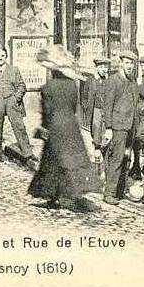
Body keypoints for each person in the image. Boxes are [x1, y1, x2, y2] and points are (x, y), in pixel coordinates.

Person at [27, 44, 100, 212]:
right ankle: (73, 193)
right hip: (71, 126)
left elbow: (47, 111)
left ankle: (52, 197)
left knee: (51, 162)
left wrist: (44, 128)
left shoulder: (48, 88)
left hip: (55, 126)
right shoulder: (72, 85)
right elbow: (74, 106)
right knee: (71, 160)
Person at [0, 47, 35, 165]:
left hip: (11, 99)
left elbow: (21, 86)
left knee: (19, 125)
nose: (0, 58)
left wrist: (16, 98)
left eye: (3, 56)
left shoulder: (14, 70)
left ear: (6, 57)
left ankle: (28, 153)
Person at [101, 50, 140, 205]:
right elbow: (107, 106)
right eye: (127, 62)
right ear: (121, 63)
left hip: (130, 128)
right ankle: (109, 193)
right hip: (118, 127)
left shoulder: (133, 82)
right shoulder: (113, 81)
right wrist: (109, 128)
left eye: (132, 63)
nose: (129, 66)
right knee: (116, 159)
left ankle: (120, 190)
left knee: (126, 159)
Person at [81, 57, 110, 165]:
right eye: (101, 67)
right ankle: (97, 165)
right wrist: (87, 109)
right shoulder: (91, 80)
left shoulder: (109, 80)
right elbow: (84, 96)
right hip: (96, 112)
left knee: (107, 137)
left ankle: (106, 164)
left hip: (107, 112)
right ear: (96, 68)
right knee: (97, 138)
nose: (103, 69)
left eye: (105, 67)